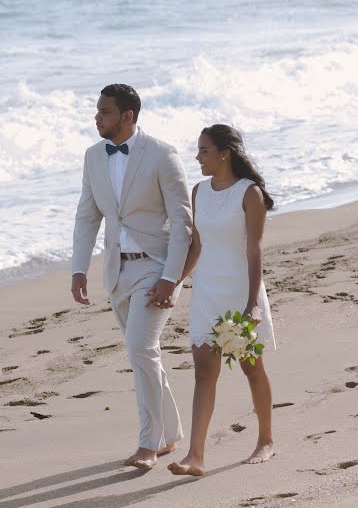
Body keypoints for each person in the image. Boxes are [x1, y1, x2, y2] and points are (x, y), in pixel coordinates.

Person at [71, 83, 192, 470]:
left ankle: (148, 444)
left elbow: (182, 223)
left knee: (140, 349)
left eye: (104, 111)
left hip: (155, 267)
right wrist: (78, 267)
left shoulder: (161, 154)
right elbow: (88, 215)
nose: (97, 117)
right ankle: (171, 434)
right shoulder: (93, 156)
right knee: (146, 355)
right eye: (96, 110)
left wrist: (171, 278)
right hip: (116, 271)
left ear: (128, 115)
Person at [168, 124, 276, 477]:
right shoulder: (199, 192)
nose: (198, 157)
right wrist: (175, 283)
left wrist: (253, 303)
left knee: (250, 367)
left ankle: (265, 440)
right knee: (203, 371)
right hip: (207, 291)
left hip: (240, 291)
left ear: (224, 152)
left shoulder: (250, 193)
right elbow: (197, 247)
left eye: (204, 151)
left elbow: (254, 249)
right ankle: (195, 455)